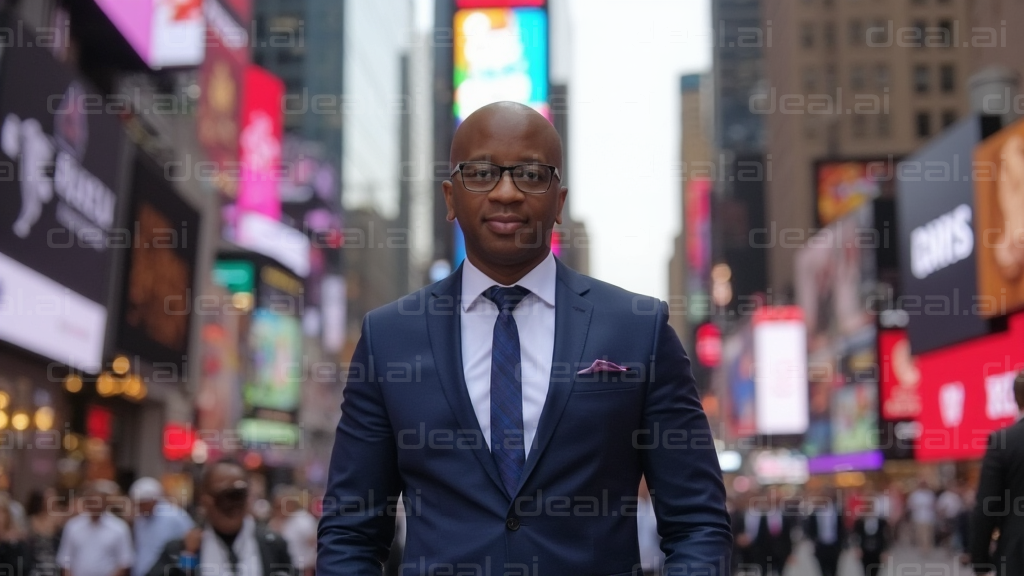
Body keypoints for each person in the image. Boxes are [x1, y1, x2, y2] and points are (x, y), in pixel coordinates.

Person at [317, 101, 732, 575]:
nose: (507, 193)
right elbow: (351, 532)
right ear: (450, 198)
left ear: (559, 201)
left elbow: (698, 523)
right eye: (482, 173)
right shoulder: (388, 337)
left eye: (532, 175)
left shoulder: (639, 328)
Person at [147, 458, 293, 576]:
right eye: (224, 496)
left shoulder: (272, 545)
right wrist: (187, 557)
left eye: (238, 495)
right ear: (205, 500)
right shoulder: (182, 548)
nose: (232, 505)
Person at [970, 371, 1024, 576]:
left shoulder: (1004, 442)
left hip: (1017, 555)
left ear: (1016, 398)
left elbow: (986, 506)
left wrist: (980, 559)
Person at [56, 480, 134, 576]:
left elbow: (124, 561)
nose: (95, 505)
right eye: (91, 501)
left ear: (105, 502)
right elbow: (65, 559)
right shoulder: (73, 526)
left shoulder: (119, 528)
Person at [129, 477, 193, 576]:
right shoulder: (140, 519)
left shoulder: (176, 516)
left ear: (153, 500)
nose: (139, 508)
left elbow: (190, 546)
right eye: (137, 504)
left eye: (142, 504)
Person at [268, 485, 316, 576]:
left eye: (281, 506)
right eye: (276, 507)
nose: (278, 510)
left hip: (303, 570)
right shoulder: (274, 522)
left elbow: (314, 545)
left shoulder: (304, 520)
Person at [805, 488, 845, 576]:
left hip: (834, 546)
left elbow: (842, 528)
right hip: (821, 546)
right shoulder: (816, 512)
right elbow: (810, 529)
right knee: (823, 570)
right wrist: (813, 542)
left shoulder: (837, 511)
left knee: (834, 570)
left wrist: (841, 544)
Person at [24, 489, 61, 576]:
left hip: (53, 563)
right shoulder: (31, 520)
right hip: (34, 564)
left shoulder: (60, 519)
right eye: (48, 498)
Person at [853, 496, 891, 576]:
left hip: (877, 550)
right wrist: (857, 548)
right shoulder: (860, 522)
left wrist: (885, 551)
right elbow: (856, 536)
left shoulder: (881, 522)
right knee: (866, 571)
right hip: (865, 550)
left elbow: (886, 537)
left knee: (875, 571)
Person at [907, 479, 936, 556]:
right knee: (920, 534)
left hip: (928, 517)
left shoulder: (930, 494)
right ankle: (922, 547)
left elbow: (933, 504)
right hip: (918, 517)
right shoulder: (915, 494)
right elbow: (910, 505)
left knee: (928, 534)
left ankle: (926, 548)